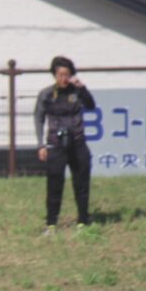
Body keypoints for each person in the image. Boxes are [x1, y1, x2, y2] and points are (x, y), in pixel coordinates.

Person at [34, 55, 96, 235]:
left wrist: (83, 88)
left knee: (81, 182)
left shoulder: (77, 91)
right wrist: (41, 145)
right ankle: (51, 224)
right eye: (60, 75)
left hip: (77, 142)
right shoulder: (46, 94)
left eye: (67, 75)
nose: (64, 78)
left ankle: (83, 221)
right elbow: (39, 118)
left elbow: (91, 105)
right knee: (54, 184)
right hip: (56, 144)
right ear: (54, 75)